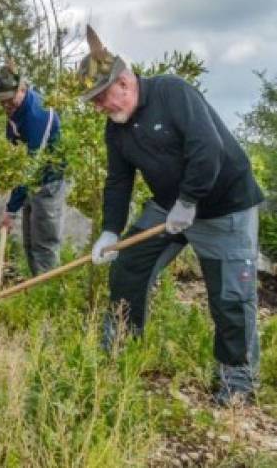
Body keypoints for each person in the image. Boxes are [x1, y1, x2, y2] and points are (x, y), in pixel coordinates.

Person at [80, 25, 264, 406]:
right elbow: (118, 180)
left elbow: (207, 148)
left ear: (125, 83)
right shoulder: (116, 131)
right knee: (129, 265)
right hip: (170, 206)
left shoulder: (172, 93)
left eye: (102, 98)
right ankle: (121, 349)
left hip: (223, 207)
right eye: (94, 102)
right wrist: (110, 231)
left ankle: (237, 383)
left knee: (231, 297)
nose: (100, 107)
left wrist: (190, 201)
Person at [0, 62, 67, 275]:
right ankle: (37, 290)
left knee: (44, 245)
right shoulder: (14, 112)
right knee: (30, 243)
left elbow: (32, 165)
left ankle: (48, 296)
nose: (5, 104)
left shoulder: (37, 113)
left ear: (22, 89)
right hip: (30, 184)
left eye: (9, 99)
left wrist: (11, 210)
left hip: (49, 183)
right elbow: (15, 156)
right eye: (1, 100)